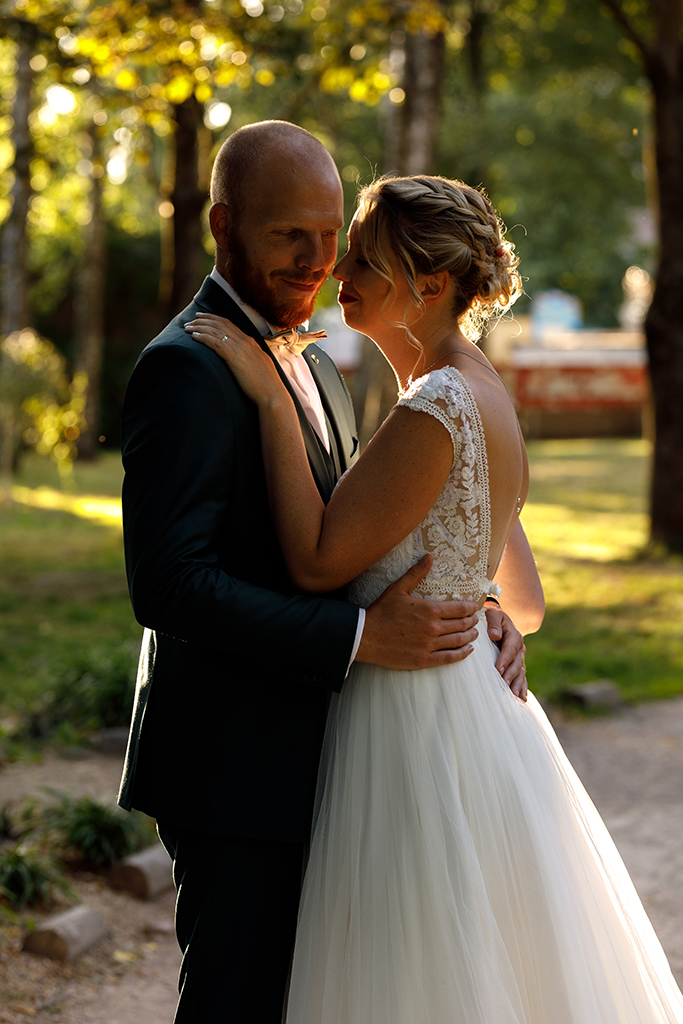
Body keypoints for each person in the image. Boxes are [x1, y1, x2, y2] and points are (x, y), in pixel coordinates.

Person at [187, 173, 683, 1024]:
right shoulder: (484, 388)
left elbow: (313, 562)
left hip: (413, 721)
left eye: (366, 259)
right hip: (475, 712)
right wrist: (483, 603)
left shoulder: (437, 405)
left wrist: (271, 394)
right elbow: (523, 599)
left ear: (429, 283)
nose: (342, 270)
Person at [117, 122, 527, 1024]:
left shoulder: (324, 368)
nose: (317, 261)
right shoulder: (187, 367)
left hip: (336, 756)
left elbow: (380, 526)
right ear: (223, 228)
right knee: (238, 998)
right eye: (288, 236)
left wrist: (478, 596)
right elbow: (169, 585)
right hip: (235, 760)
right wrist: (358, 635)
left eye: (331, 234)